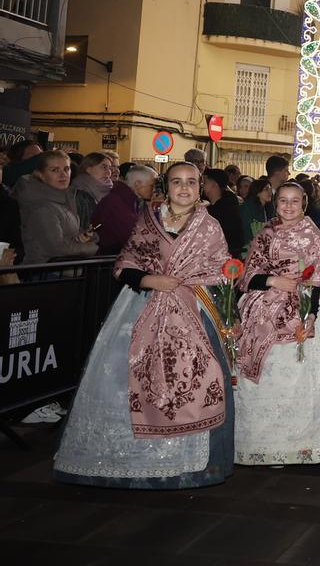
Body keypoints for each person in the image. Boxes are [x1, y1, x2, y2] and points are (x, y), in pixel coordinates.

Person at [53, 161, 234, 488]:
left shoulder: (209, 226)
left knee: (200, 377)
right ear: (166, 186)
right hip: (142, 305)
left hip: (193, 308)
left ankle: (188, 464)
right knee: (127, 380)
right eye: (177, 181)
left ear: (200, 187)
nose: (184, 188)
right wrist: (151, 280)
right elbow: (126, 264)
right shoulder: (149, 220)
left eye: (191, 182)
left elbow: (221, 270)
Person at [234, 182, 320, 465]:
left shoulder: (313, 234)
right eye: (283, 201)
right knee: (269, 380)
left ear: (304, 204)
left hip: (302, 306)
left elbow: (316, 280)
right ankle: (265, 446)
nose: (288, 206)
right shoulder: (266, 233)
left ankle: (304, 443)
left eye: (294, 201)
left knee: (301, 378)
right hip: (262, 309)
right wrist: (272, 281)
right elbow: (247, 276)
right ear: (275, 203)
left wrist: (311, 315)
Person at [12, 150, 98, 265]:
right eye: (55, 170)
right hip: (44, 271)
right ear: (41, 175)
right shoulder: (41, 206)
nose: (63, 174)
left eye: (66, 169)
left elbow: (68, 233)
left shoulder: (65, 198)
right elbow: (56, 248)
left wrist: (85, 237)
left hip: (64, 268)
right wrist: (94, 248)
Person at [92, 164, 157, 256]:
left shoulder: (128, 199)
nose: (154, 190)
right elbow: (134, 237)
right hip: (110, 259)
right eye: (152, 185)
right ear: (137, 184)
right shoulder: (116, 202)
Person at [201, 168, 244, 257]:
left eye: (205, 182)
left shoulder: (225, 208)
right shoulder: (225, 204)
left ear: (214, 184)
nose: (202, 185)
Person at [70, 151, 113, 231]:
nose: (109, 172)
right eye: (104, 167)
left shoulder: (111, 190)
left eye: (110, 168)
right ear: (88, 169)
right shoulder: (80, 193)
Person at [239, 177, 272, 255]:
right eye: (266, 189)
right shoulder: (248, 207)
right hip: (249, 248)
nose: (270, 192)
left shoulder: (266, 207)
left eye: (270, 189)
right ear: (257, 192)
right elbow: (246, 229)